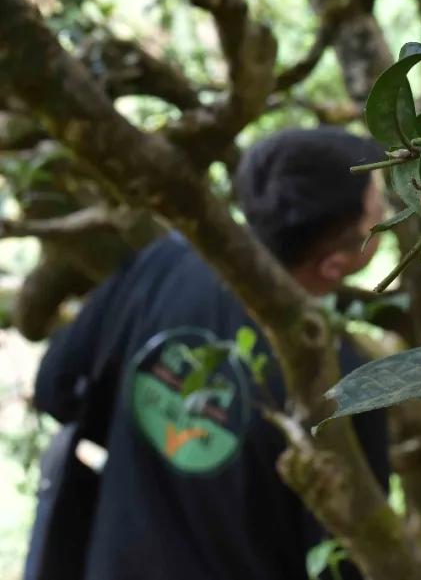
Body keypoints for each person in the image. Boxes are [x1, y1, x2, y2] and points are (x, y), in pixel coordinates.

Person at [25, 127, 389, 580]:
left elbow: (55, 388)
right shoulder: (348, 385)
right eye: (380, 208)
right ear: (335, 262)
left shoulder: (165, 264)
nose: (388, 210)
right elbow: (347, 560)